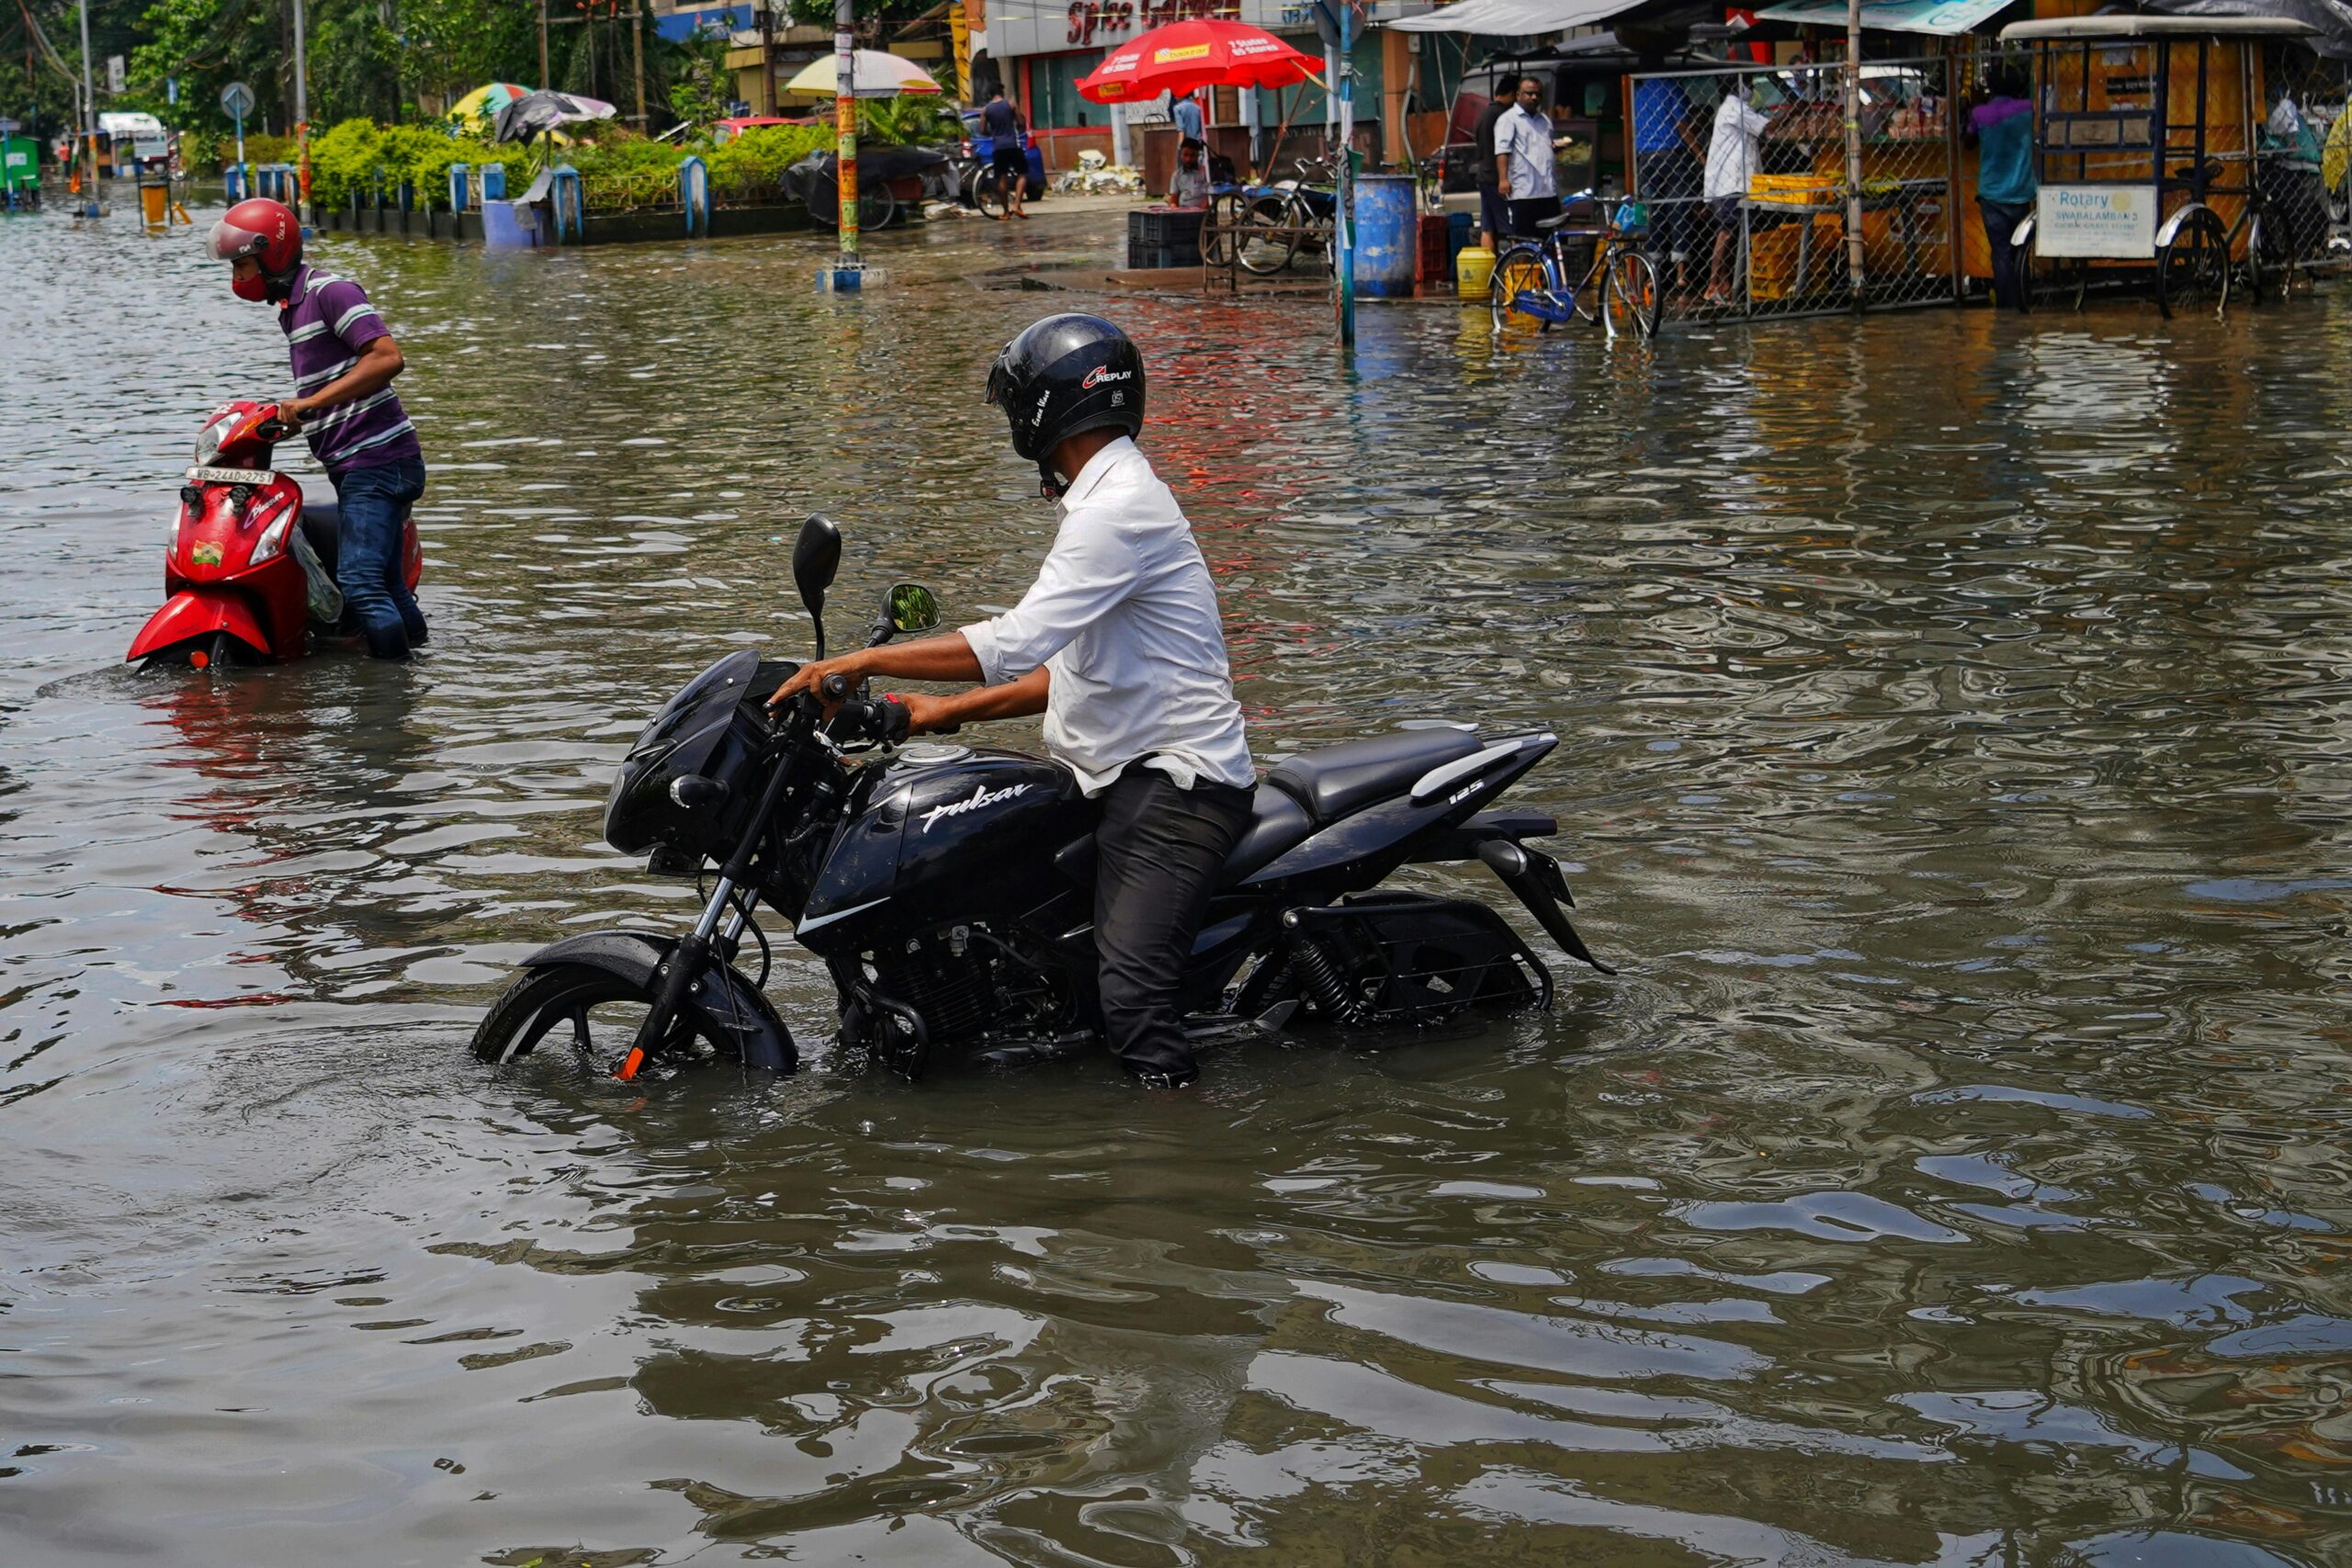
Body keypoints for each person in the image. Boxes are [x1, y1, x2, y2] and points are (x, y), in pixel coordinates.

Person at [769, 315, 1253, 1090]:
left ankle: (1175, 1173)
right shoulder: (1104, 502)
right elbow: (1060, 671)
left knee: (1130, 1002)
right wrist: (926, 712)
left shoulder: (1115, 511)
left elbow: (1013, 643)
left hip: (1176, 790)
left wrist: (858, 662)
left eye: (1013, 410)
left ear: (1046, 411)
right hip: (1114, 777)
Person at [207, 196, 427, 660]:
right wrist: (285, 422)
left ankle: (389, 697)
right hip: (358, 463)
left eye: (242, 267)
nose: (237, 279)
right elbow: (332, 387)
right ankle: (419, 661)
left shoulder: (331, 291)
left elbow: (387, 358)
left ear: (273, 255)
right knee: (386, 582)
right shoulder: (293, 308)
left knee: (361, 585)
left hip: (379, 460)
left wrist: (309, 403)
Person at [1968, 62, 2037, 310]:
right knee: (2021, 251)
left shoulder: (1980, 114)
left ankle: (2005, 306)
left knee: (2001, 252)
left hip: (1992, 194)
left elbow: (1968, 141)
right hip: (2021, 192)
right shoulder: (2028, 109)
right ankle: (2023, 299)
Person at [1704, 77, 1777, 306]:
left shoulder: (1734, 108)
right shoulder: (1735, 108)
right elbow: (1766, 127)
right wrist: (1793, 112)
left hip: (1732, 182)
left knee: (1732, 233)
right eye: (1748, 84)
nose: (1752, 89)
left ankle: (1724, 286)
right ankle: (1713, 285)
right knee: (1726, 233)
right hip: (1730, 183)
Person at [1631, 70, 1698, 293]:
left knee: (1654, 214)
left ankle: (1652, 274)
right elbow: (1682, 125)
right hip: (1672, 154)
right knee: (1679, 210)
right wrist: (1700, 154)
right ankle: (1681, 274)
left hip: (1646, 157)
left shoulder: (1638, 93)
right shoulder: (1673, 88)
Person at [1493, 75, 1562, 241]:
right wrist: (1503, 179)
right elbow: (1502, 151)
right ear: (1518, 95)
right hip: (1524, 192)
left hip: (1547, 191)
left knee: (1551, 239)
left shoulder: (1544, 120)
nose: (1533, 98)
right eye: (1528, 93)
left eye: (1537, 94)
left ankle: (1545, 267)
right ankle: (1523, 267)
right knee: (1525, 239)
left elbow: (1544, 146)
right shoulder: (1508, 119)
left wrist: (1554, 148)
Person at [1471, 73, 1521, 252]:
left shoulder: (1484, 113)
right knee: (1511, 228)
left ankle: (1490, 269)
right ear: (1513, 94)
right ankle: (1517, 270)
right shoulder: (1504, 116)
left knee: (1487, 227)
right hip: (1498, 179)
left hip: (1484, 176)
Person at [981, 85, 1029, 220]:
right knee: (1023, 173)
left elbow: (983, 130)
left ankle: (1006, 213)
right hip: (1013, 144)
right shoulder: (1011, 104)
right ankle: (1016, 205)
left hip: (998, 147)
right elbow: (1020, 123)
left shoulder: (986, 109)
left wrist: (994, 133)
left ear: (990, 95)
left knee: (1001, 177)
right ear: (1001, 92)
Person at [1168, 138, 1211, 209]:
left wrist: (1200, 211)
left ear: (1197, 156)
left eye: (1193, 155)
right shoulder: (1176, 175)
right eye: (1185, 155)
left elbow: (1210, 197)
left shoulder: (1205, 172)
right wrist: (1174, 209)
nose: (1188, 159)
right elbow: (1174, 200)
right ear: (1181, 155)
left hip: (1203, 213)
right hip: (1183, 214)